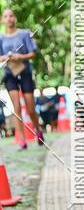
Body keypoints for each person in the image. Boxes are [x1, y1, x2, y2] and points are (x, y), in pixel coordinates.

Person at [0, 8, 44, 148]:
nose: (9, 19)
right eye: (6, 16)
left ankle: (38, 131)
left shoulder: (24, 34)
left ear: (15, 18)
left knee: (30, 108)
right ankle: (22, 140)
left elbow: (33, 53)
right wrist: (6, 57)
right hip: (10, 74)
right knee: (16, 108)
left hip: (25, 72)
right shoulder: (1, 38)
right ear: (2, 20)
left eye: (11, 16)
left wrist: (20, 56)